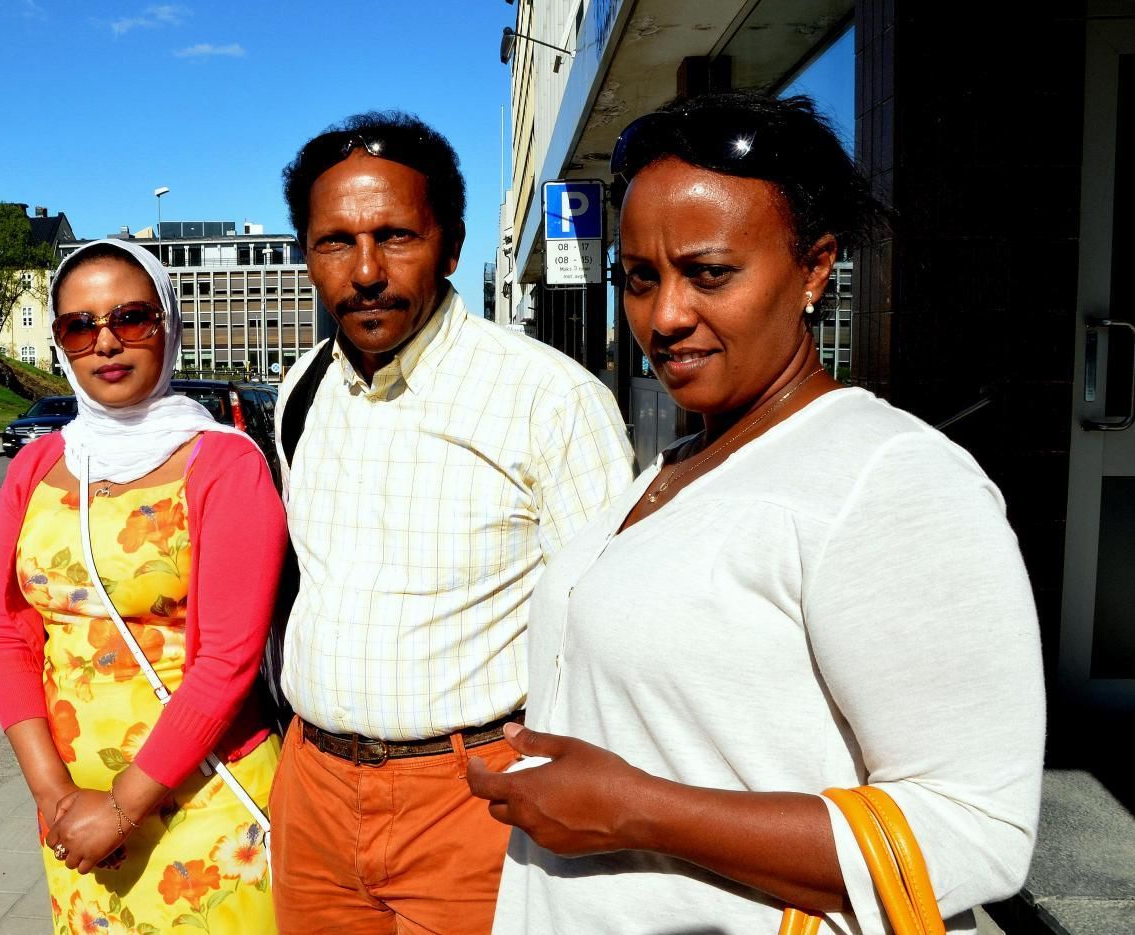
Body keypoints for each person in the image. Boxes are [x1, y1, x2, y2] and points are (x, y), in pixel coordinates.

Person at [469, 91, 1045, 934]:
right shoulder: (678, 461)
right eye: (640, 278)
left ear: (814, 268)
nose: (666, 316)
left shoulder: (891, 480)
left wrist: (638, 810)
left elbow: (977, 830)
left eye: (709, 273)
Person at [270, 111, 635, 934]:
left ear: (452, 244)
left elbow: (611, 624)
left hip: (471, 798)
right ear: (307, 254)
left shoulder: (550, 398)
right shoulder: (302, 390)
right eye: (336, 242)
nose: (366, 270)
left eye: (396, 236)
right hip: (313, 790)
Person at [0, 238, 287, 933]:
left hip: (207, 806)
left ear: (168, 324)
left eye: (131, 317)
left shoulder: (224, 464)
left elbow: (229, 661)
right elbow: (7, 637)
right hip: (74, 816)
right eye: (79, 325)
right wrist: (53, 793)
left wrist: (121, 808)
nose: (106, 342)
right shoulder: (36, 467)